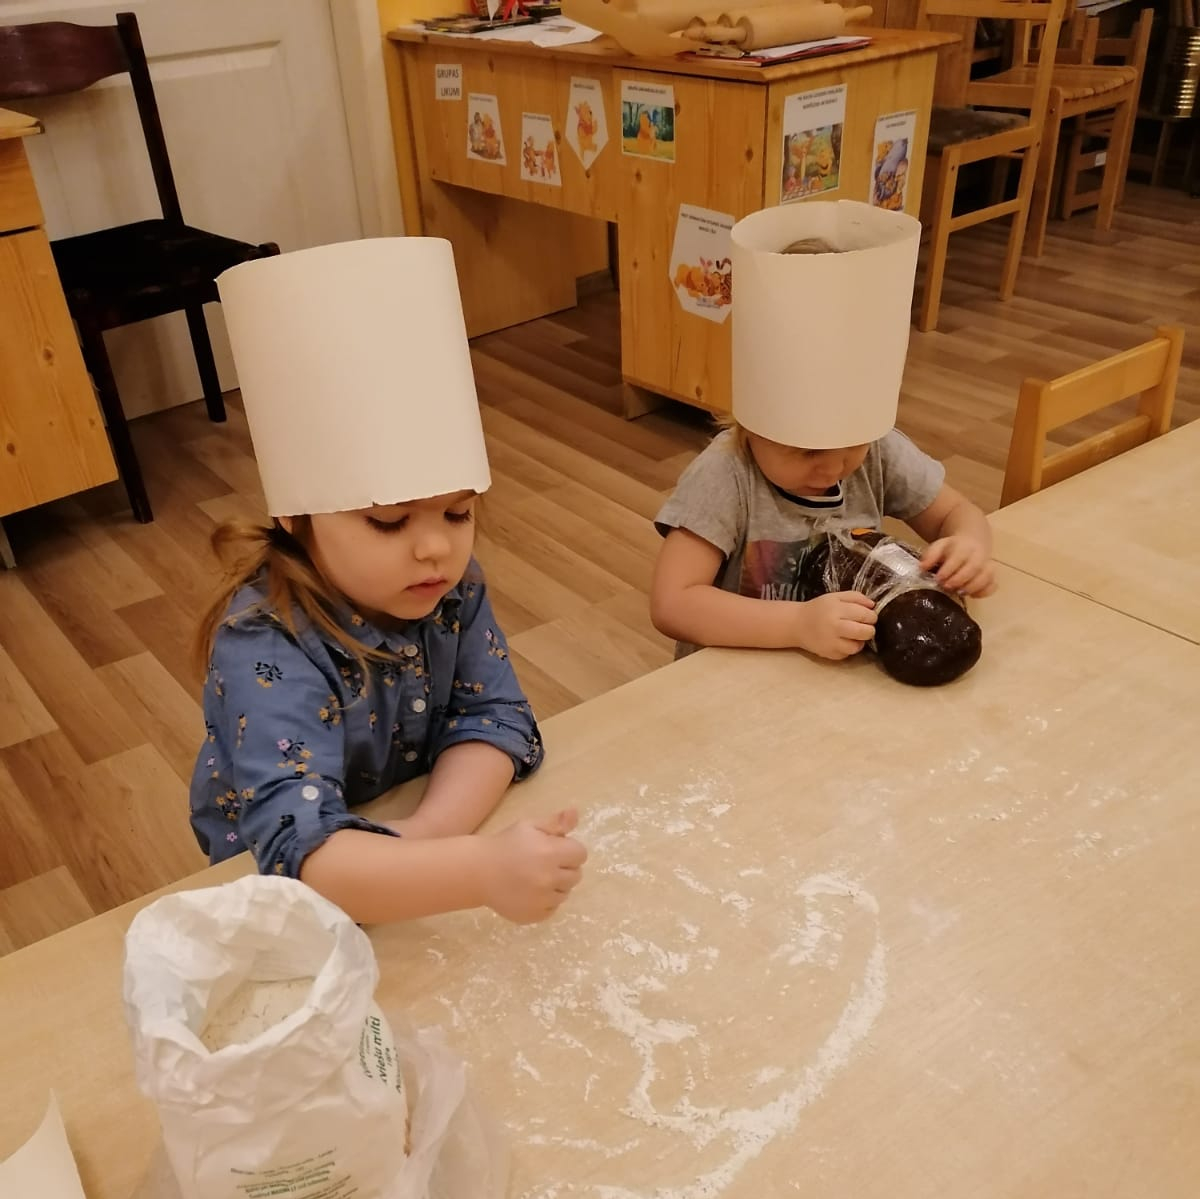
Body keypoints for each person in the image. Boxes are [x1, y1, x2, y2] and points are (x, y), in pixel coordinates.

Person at [189, 237, 586, 925]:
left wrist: (428, 835)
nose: (436, 548)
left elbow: (495, 716)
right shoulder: (266, 643)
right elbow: (301, 858)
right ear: (295, 517)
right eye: (388, 521)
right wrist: (477, 870)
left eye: (458, 513)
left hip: (399, 833)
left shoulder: (451, 591)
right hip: (282, 903)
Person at [650, 206, 996, 661]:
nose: (834, 467)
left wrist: (969, 544)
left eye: (853, 442)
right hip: (738, 675)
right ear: (753, 422)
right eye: (806, 451)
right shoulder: (725, 475)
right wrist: (796, 624)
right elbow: (672, 603)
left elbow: (956, 512)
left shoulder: (880, 449)